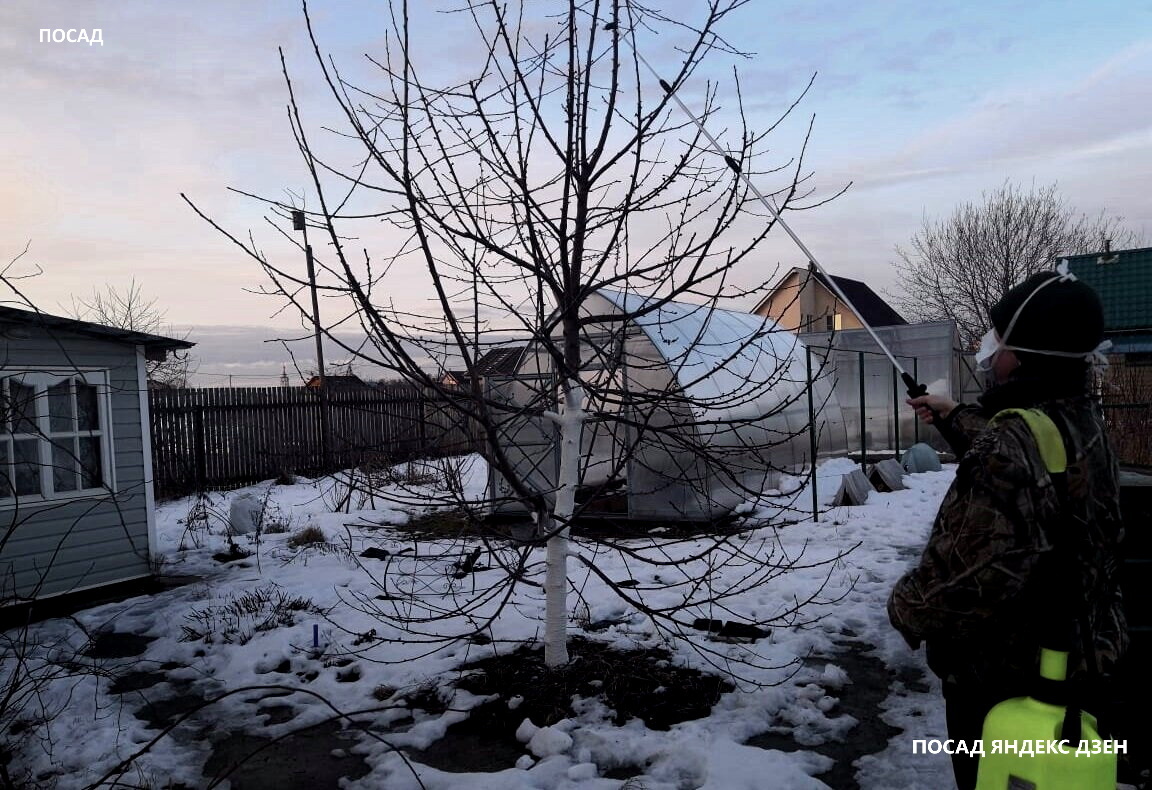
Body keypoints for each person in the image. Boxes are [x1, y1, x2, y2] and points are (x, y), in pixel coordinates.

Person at [888, 264, 1127, 790]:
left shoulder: (1008, 445)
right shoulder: (1082, 418)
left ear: (1021, 353)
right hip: (1076, 662)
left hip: (1003, 683)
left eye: (998, 337)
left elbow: (964, 583)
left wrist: (905, 606)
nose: (990, 348)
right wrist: (953, 415)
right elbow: (1042, 460)